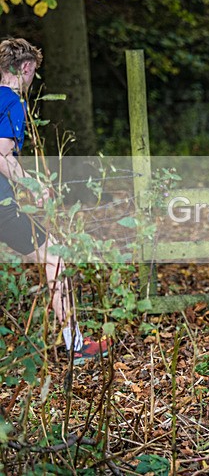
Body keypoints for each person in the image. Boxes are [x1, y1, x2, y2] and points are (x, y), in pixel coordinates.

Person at [0, 37, 109, 364]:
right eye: (34, 73)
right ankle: (76, 344)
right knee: (56, 257)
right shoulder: (11, 101)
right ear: (27, 67)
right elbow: (1, 154)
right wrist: (32, 183)